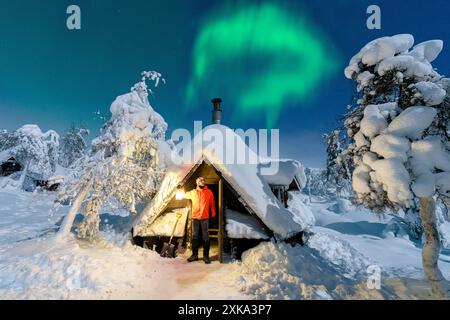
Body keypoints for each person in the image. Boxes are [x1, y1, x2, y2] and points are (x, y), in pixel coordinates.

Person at [184, 177, 216, 264]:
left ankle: (206, 256)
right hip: (195, 218)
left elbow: (212, 203)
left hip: (205, 217)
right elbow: (184, 194)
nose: (203, 182)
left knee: (205, 236)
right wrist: (179, 188)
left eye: (203, 181)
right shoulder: (193, 192)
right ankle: (195, 255)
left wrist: (213, 213)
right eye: (201, 181)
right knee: (195, 236)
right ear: (197, 183)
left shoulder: (209, 192)